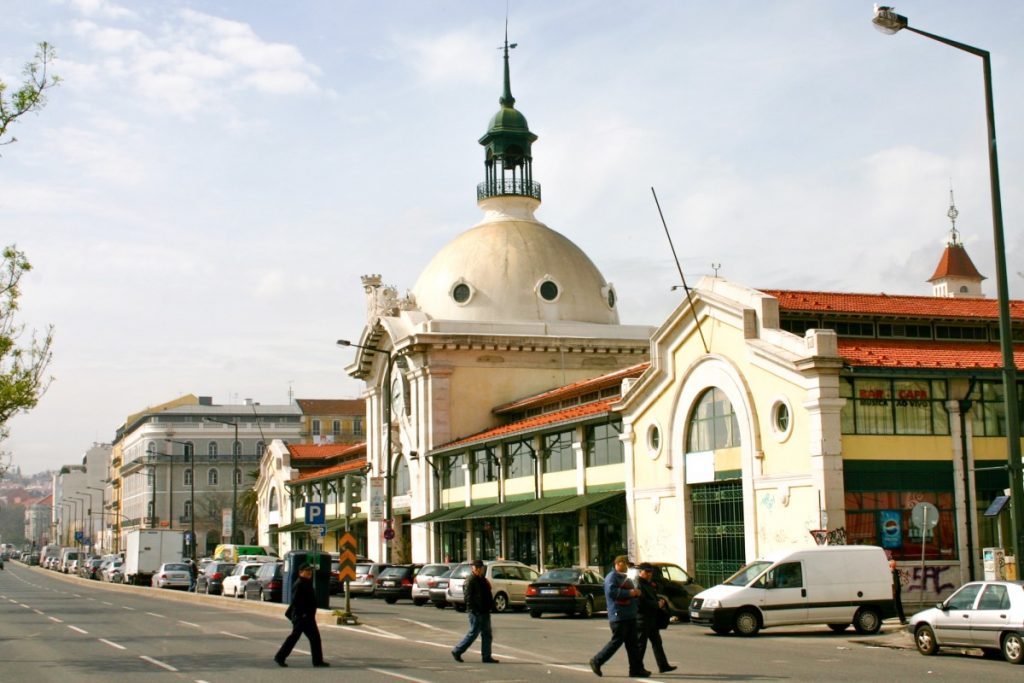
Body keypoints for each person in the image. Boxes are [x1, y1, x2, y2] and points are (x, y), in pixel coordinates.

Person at [590, 556, 649, 678]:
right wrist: (630, 593)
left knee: (633, 644)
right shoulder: (611, 577)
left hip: (630, 614)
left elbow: (635, 590)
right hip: (619, 615)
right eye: (626, 564)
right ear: (618, 563)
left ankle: (636, 669)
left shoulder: (627, 577)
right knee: (617, 641)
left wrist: (637, 592)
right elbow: (612, 592)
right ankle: (597, 660)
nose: (628, 567)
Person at [275, 563, 329, 668]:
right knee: (294, 638)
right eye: (307, 570)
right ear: (301, 572)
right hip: (302, 617)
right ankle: (280, 657)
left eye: (310, 570)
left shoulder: (306, 582)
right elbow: (296, 601)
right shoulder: (300, 583)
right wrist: (302, 614)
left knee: (315, 638)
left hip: (308, 617)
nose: (309, 572)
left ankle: (318, 661)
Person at [452, 559, 500, 664]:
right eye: (476, 568)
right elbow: (468, 598)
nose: (479, 570)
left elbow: (487, 593)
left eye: (480, 568)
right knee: (473, 633)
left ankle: (486, 656)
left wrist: (491, 606)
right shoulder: (470, 580)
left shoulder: (483, 579)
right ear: (473, 569)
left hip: (485, 610)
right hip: (476, 612)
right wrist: (474, 610)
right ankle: (457, 650)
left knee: (487, 634)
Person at [636, 563, 676, 674]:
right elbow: (640, 602)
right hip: (642, 619)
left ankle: (663, 665)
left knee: (657, 643)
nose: (649, 574)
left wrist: (659, 602)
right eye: (647, 572)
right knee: (641, 645)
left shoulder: (648, 584)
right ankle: (636, 668)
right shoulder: (638, 584)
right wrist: (656, 604)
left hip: (651, 618)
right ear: (641, 572)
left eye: (650, 572)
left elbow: (651, 597)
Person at [890, 559, 907, 625]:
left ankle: (902, 619)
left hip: (897, 591)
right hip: (892, 591)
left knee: (898, 605)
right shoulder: (889, 572)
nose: (894, 566)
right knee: (896, 605)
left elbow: (902, 579)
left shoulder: (897, 572)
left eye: (895, 565)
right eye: (893, 565)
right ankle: (902, 619)